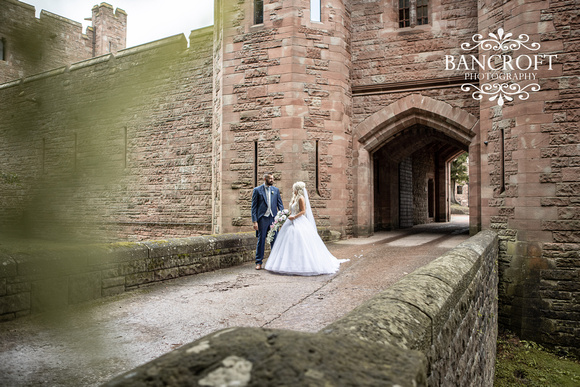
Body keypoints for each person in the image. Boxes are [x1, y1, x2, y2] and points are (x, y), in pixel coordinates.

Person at [264, 181, 348, 275]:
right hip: (290, 221)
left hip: (298, 220)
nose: (292, 190)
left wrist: (294, 217)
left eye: (294, 188)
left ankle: (302, 265)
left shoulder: (301, 198)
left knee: (301, 241)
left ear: (297, 189)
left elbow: (303, 211)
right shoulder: (294, 198)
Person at [251, 173, 284, 270]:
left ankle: (274, 262)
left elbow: (280, 205)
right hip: (263, 219)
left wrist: (282, 217)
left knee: (274, 241)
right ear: (265, 178)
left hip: (273, 218)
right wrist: (255, 221)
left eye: (273, 178)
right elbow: (254, 207)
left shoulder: (276, 190)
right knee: (261, 241)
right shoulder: (257, 190)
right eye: (270, 178)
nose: (272, 180)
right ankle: (259, 262)